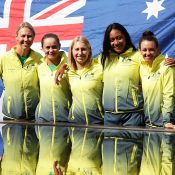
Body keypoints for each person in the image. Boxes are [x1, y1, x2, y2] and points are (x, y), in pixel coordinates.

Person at [99, 23, 144, 126]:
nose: (116, 42)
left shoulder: (137, 56)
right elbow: (84, 66)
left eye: (119, 38)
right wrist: (64, 66)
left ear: (125, 37)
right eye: (112, 39)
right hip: (109, 117)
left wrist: (168, 62)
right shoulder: (103, 59)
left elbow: (154, 67)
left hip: (133, 116)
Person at [0, 22, 42, 120]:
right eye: (23, 36)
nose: (26, 39)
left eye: (29, 36)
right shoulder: (5, 58)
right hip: (10, 117)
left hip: (33, 118)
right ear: (17, 37)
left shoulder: (39, 59)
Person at [139, 31, 175, 128]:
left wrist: (166, 121)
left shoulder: (167, 66)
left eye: (151, 50)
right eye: (144, 50)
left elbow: (169, 95)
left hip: (164, 125)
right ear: (139, 51)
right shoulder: (141, 67)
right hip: (148, 125)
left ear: (157, 49)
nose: (147, 53)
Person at [35, 33, 72, 123]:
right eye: (47, 47)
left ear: (59, 46)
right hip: (43, 120)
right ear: (42, 48)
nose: (51, 50)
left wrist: (66, 65)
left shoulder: (70, 66)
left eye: (54, 47)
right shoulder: (39, 67)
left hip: (65, 120)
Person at [67, 36, 103, 125]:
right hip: (75, 123)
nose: (80, 53)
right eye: (77, 49)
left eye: (83, 49)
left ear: (89, 50)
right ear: (71, 51)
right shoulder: (67, 72)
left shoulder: (99, 68)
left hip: (97, 122)